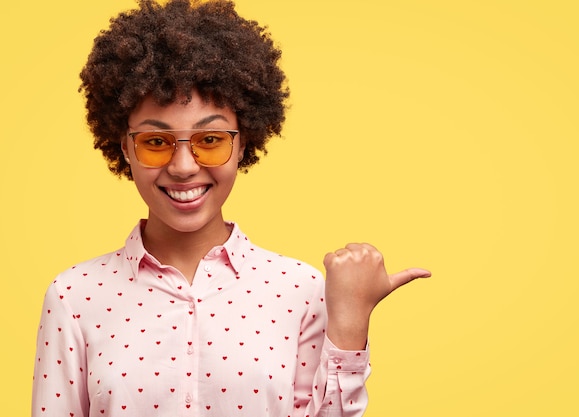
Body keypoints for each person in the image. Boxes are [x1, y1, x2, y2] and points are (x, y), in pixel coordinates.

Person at [31, 1, 431, 416]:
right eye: (155, 143)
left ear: (243, 144)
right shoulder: (74, 296)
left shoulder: (300, 290)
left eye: (210, 141)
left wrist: (350, 323)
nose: (183, 167)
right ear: (125, 148)